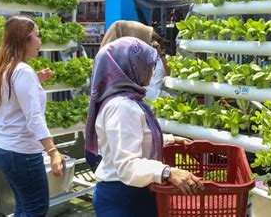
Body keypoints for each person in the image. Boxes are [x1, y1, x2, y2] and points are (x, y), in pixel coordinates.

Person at [85, 37, 204, 216]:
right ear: (132, 67)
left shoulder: (129, 100)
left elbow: (136, 137)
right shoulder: (122, 106)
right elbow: (127, 165)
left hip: (132, 192)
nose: (152, 70)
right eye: (147, 64)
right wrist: (168, 172)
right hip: (122, 198)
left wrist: (171, 140)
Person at [0, 16, 65, 216]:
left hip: (3, 147)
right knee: (35, 207)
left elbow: (10, 101)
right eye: (37, 36)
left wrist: (36, 80)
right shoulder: (22, 71)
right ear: (24, 40)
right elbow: (34, 117)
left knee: (24, 206)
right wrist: (53, 151)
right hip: (21, 153)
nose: (39, 41)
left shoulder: (4, 68)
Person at [100, 20, 170, 101]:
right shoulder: (121, 66)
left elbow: (171, 74)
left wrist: (160, 54)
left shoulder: (154, 57)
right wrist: (162, 97)